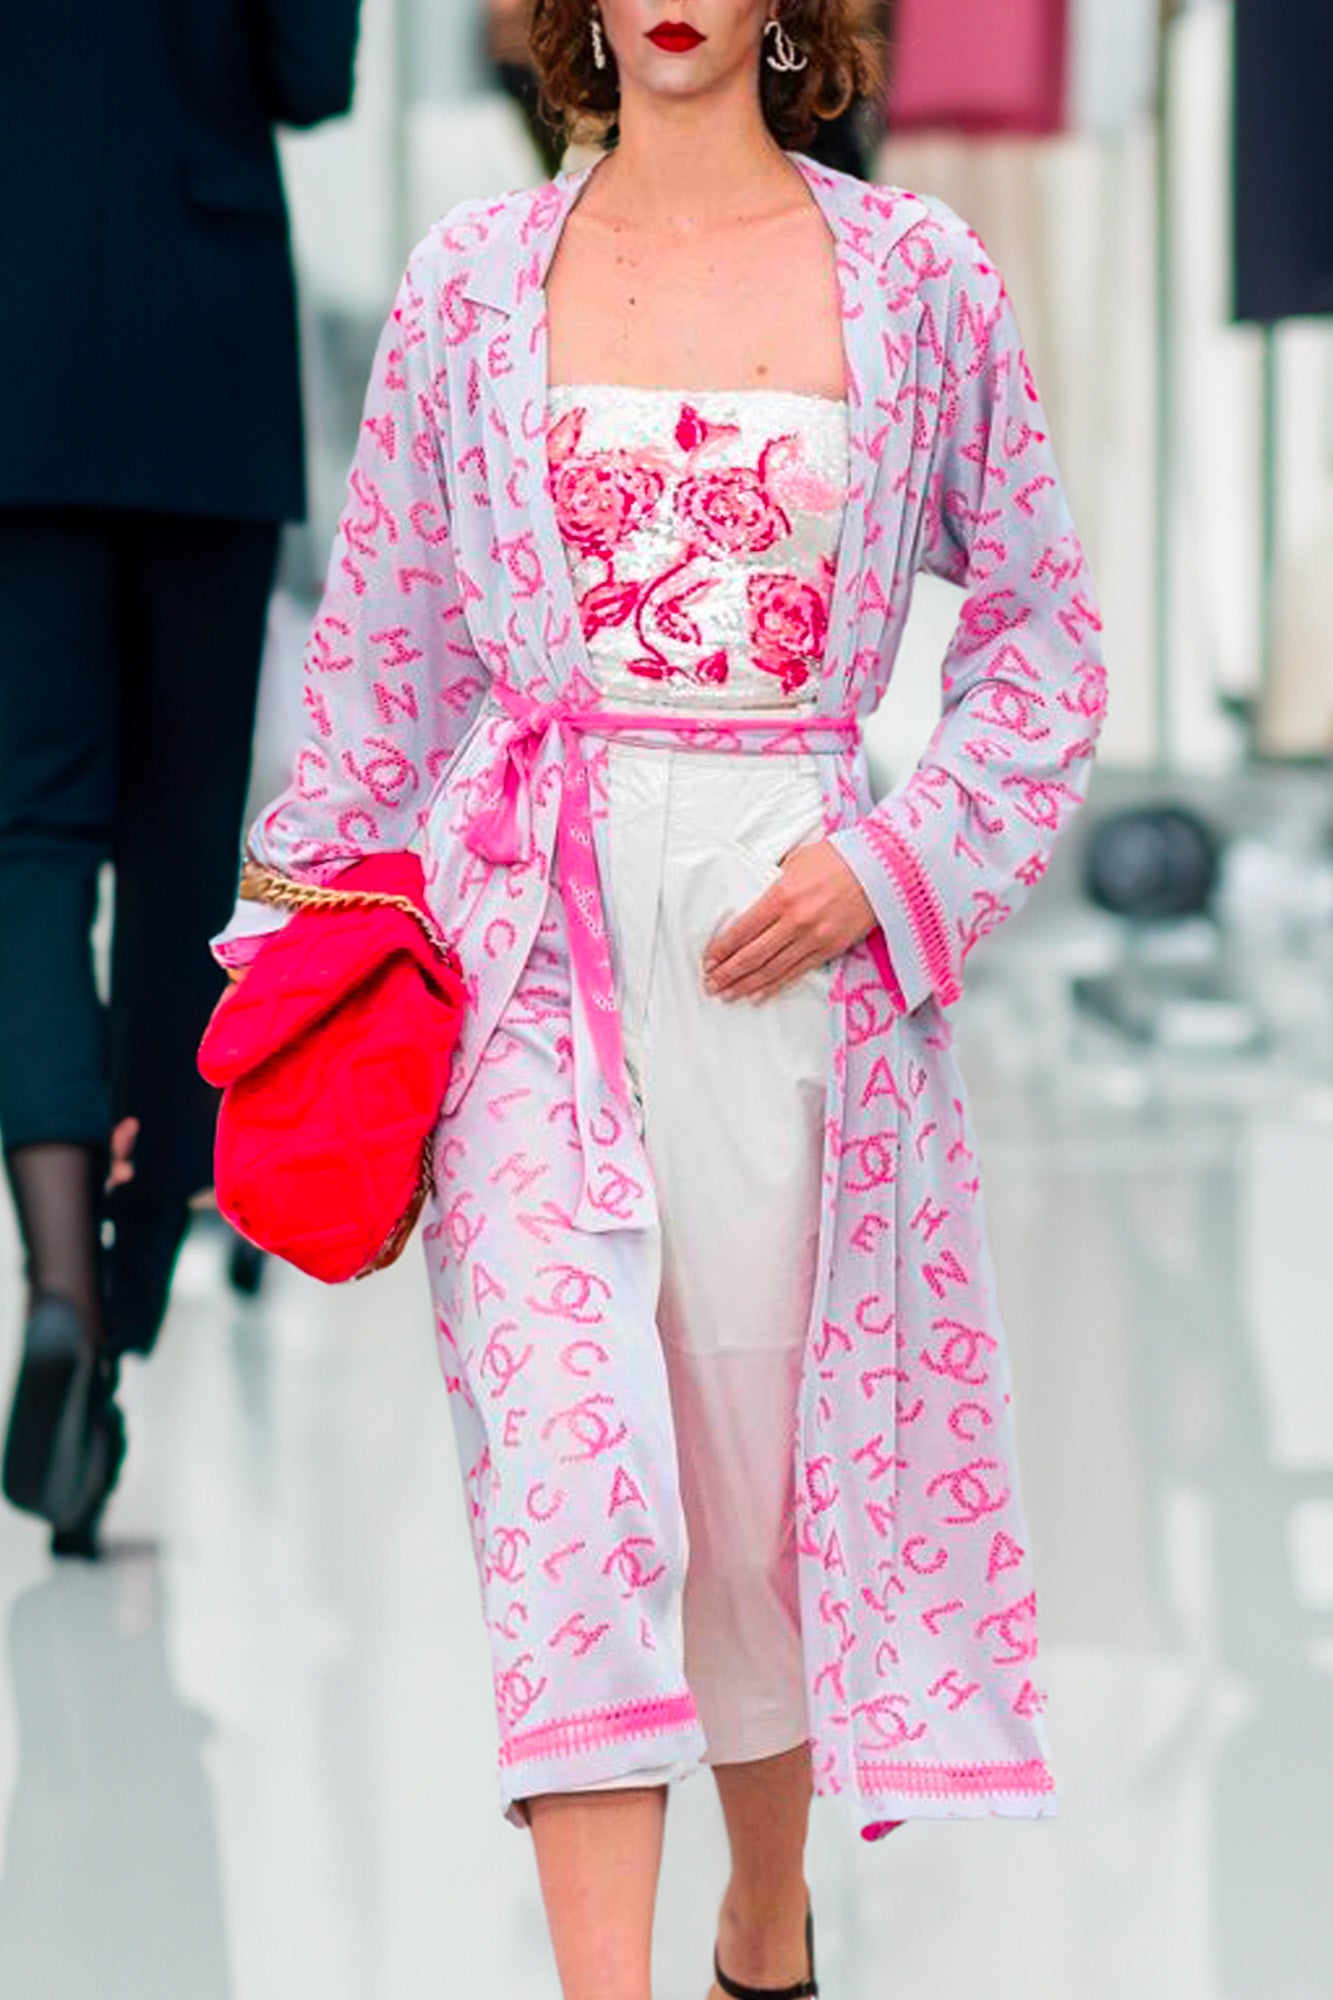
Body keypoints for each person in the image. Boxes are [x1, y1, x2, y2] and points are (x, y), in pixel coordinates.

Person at [213, 0, 1110, 1992]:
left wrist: (886, 868)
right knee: (572, 1488)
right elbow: (376, 672)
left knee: (754, 1515)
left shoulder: (917, 279)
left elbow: (1046, 643)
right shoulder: (467, 284)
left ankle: (763, 1924)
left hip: (800, 979)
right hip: (533, 947)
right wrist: (279, 988)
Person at [0, 0, 362, 1558]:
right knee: (178, 850)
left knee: (29, 840)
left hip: (15, 341)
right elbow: (311, 75)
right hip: (206, 357)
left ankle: (58, 1288)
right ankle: (133, 1287)